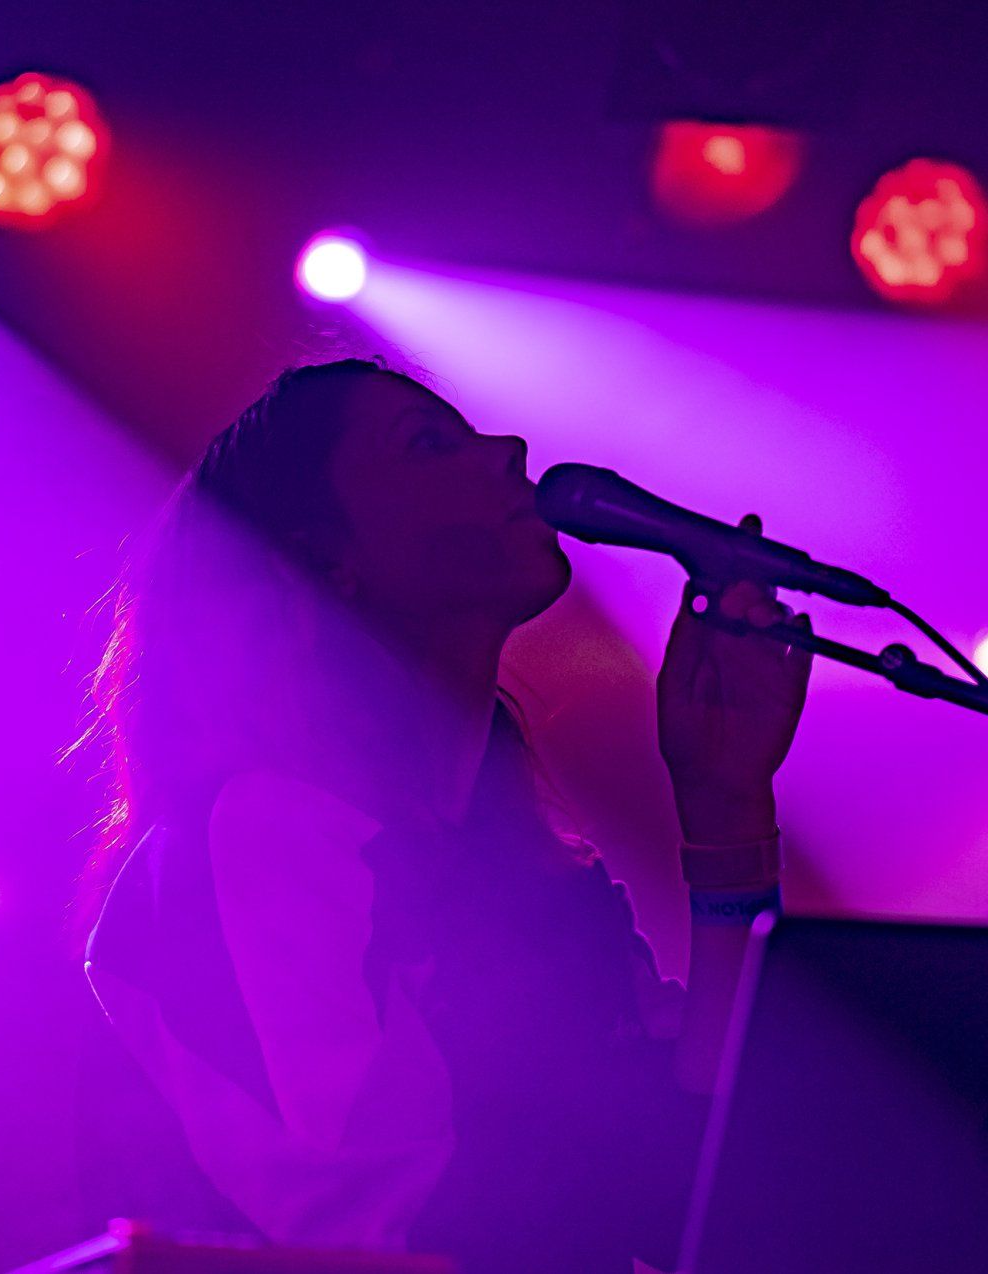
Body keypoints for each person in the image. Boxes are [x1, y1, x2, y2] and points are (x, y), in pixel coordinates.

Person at [75, 356, 813, 1271]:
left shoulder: (524, 867)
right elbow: (386, 1232)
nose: (509, 450)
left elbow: (705, 1160)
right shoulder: (255, 836)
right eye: (429, 444)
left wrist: (726, 807)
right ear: (326, 561)